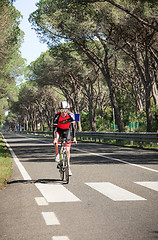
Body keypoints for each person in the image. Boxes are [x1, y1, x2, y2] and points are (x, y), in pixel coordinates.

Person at [53, 101, 77, 176]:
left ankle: (68, 168)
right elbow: (54, 129)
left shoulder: (72, 115)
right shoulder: (57, 116)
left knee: (67, 150)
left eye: (65, 110)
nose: (63, 112)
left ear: (68, 109)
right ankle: (57, 154)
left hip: (67, 131)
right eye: (61, 110)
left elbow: (73, 127)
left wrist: (74, 138)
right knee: (56, 140)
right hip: (58, 131)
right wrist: (55, 139)